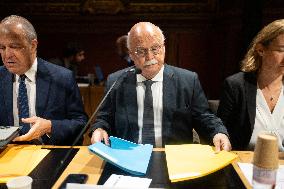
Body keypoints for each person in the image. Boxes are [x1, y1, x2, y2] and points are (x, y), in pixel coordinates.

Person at [91, 22, 231, 151]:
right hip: (128, 157)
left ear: (163, 48)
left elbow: (204, 117)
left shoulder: (188, 80)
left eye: (155, 48)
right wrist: (99, 129)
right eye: (141, 51)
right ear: (131, 55)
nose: (150, 56)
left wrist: (217, 133)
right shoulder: (116, 81)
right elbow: (104, 119)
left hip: (174, 159)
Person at [0, 15, 88, 145]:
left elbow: (81, 123)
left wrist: (50, 126)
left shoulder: (62, 77)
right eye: (2, 48)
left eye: (15, 46)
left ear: (33, 46)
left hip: (48, 154)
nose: (7, 55)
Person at [217, 19, 284, 150]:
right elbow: (220, 131)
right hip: (244, 163)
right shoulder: (236, 86)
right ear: (260, 50)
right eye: (282, 50)